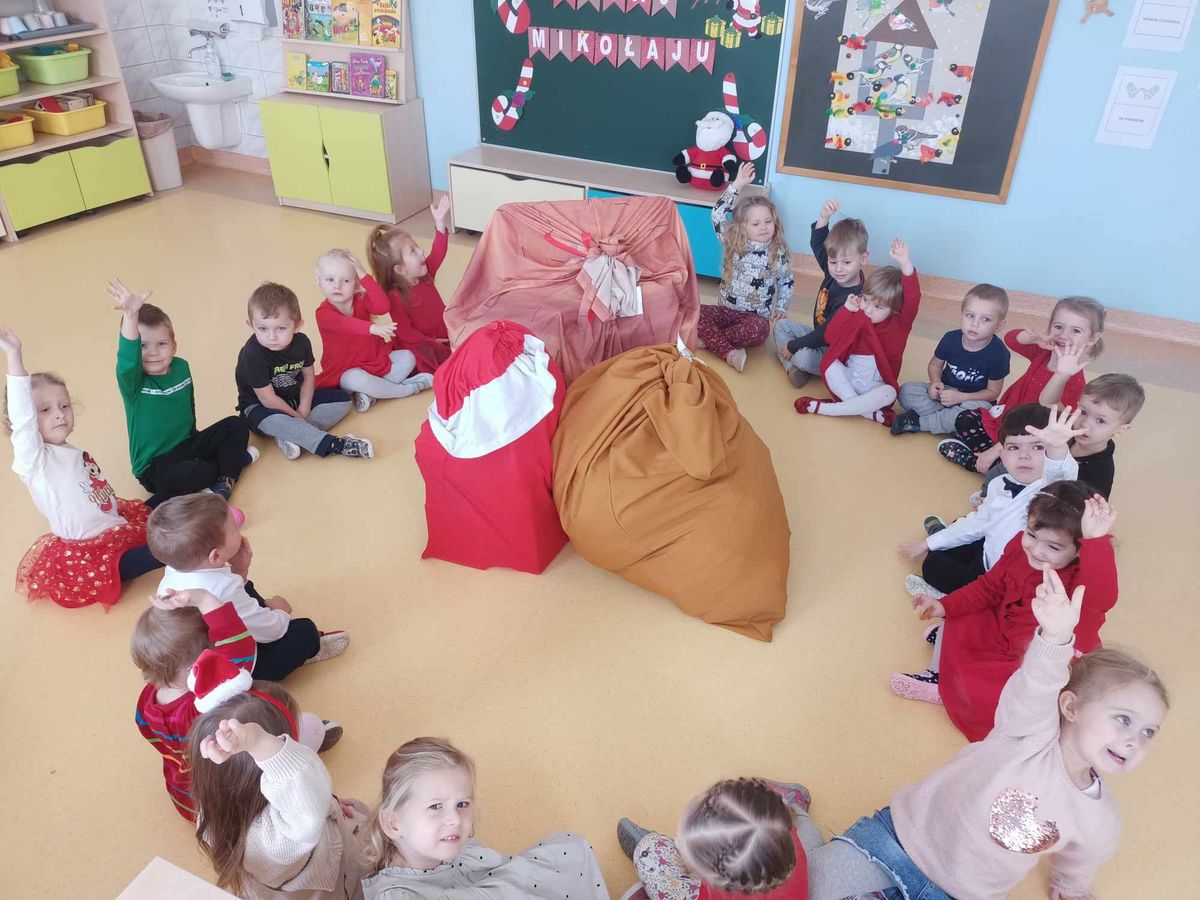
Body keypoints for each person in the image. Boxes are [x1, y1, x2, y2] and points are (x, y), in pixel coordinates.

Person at [800, 566, 1168, 900]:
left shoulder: (1100, 818)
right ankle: (790, 813)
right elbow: (1036, 685)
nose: (1135, 740)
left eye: (1149, 731)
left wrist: (1070, 886)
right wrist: (1055, 637)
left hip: (960, 894)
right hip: (898, 842)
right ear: (1071, 707)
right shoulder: (1028, 732)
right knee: (799, 886)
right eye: (1123, 719)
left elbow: (1086, 854)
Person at [892, 484, 1118, 743]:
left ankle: (945, 685)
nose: (1036, 550)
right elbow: (989, 587)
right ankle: (938, 674)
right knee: (962, 612)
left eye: (1054, 547)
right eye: (1031, 535)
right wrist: (944, 605)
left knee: (992, 692)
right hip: (1004, 631)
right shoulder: (1018, 549)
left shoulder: (1081, 584)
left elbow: (1104, 596)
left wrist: (1097, 541)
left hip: (1032, 663)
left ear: (1079, 550)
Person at [2, 326, 161, 610]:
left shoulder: (69, 450)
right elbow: (22, 417)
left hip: (117, 526)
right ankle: (196, 539)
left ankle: (201, 502)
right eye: (45, 410)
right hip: (91, 554)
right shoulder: (35, 460)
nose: (59, 414)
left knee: (165, 501)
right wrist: (14, 355)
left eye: (64, 406)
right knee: (162, 552)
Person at [188, 665, 362, 899]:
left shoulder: (210, 815)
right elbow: (306, 809)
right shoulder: (279, 836)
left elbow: (304, 801)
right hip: (330, 887)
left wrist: (326, 804)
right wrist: (258, 741)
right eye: (284, 740)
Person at [360, 737, 608, 899]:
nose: (455, 819)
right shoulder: (397, 895)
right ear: (393, 823)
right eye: (435, 807)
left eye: (462, 804)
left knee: (570, 850)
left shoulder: (446, 846)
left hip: (480, 884)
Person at [149, 492, 349, 680]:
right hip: (233, 672)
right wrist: (281, 612)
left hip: (197, 662)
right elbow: (270, 632)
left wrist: (240, 570)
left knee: (248, 597)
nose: (239, 528)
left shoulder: (175, 570)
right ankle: (307, 652)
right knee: (305, 631)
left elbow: (232, 613)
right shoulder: (224, 589)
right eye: (235, 529)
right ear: (216, 556)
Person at [899, 404, 1082, 597]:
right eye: (1014, 448)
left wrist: (1056, 447)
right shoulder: (999, 483)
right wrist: (928, 543)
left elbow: (1059, 473)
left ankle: (948, 600)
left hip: (1001, 577)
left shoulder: (1052, 490)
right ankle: (941, 537)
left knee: (935, 569)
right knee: (945, 545)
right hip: (988, 548)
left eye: (1038, 447)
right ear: (1002, 456)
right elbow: (979, 523)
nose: (1024, 455)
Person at [108, 278, 255, 504]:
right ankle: (228, 462)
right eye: (143, 346)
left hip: (187, 446)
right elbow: (127, 360)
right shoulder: (134, 383)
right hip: (155, 466)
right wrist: (130, 315)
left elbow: (188, 406)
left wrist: (200, 442)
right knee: (195, 471)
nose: (153, 352)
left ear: (174, 346)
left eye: (162, 344)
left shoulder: (181, 367)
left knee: (237, 425)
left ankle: (224, 481)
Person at [133, 587, 262, 821]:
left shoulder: (146, 702)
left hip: (187, 798)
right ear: (195, 666)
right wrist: (203, 598)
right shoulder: (204, 705)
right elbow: (238, 647)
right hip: (230, 801)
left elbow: (153, 738)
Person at [938, 296, 1105, 472]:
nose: (1063, 335)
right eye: (1058, 327)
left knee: (1020, 458)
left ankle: (980, 462)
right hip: (1006, 417)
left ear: (1092, 338)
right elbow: (1010, 339)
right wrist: (1032, 338)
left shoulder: (1074, 380)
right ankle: (990, 454)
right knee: (965, 419)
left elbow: (1049, 426)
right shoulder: (1044, 352)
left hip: (1028, 436)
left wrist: (996, 450)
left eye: (1076, 331)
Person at [236, 282, 373, 461]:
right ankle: (335, 445)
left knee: (343, 400)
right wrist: (296, 416)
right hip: (261, 408)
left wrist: (304, 407)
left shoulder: (302, 343)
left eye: (281, 328)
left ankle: (292, 436)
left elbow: (308, 376)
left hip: (294, 399)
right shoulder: (253, 354)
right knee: (276, 421)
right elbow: (267, 399)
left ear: (297, 325)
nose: (271, 337)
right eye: (262, 328)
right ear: (251, 325)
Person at [616, 778, 814, 900]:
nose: (678, 841)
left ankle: (649, 848)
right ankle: (794, 802)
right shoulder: (775, 826)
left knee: (650, 852)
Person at [794, 238, 920, 426]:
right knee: (829, 364)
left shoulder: (899, 325)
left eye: (878, 307)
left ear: (895, 310)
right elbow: (830, 337)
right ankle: (868, 414)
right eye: (866, 300)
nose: (868, 309)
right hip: (849, 379)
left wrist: (905, 263)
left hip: (874, 387)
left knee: (890, 392)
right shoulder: (857, 313)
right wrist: (846, 310)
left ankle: (830, 409)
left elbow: (913, 298)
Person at [981, 373, 1144, 501]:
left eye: (1100, 420)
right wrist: (1062, 373)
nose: (1084, 423)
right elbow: (1048, 401)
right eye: (1083, 412)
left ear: (1121, 429)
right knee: (999, 469)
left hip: (1042, 502)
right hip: (1027, 474)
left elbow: (1081, 513)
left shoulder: (1099, 473)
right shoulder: (1069, 426)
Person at [698, 161, 794, 373]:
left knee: (760, 331)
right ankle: (729, 352)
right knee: (693, 313)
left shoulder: (777, 251)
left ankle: (711, 341)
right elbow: (717, 214)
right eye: (756, 223)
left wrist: (781, 307)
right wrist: (737, 184)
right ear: (742, 227)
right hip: (725, 311)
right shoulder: (733, 241)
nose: (764, 227)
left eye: (768, 221)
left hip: (754, 319)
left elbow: (786, 281)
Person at [312, 249, 433, 414]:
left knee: (408, 357)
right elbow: (347, 324)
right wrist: (372, 328)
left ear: (356, 283)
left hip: (373, 359)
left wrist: (363, 275)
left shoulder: (360, 300)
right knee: (353, 379)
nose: (337, 285)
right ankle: (406, 389)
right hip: (346, 369)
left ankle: (371, 394)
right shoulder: (323, 313)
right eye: (330, 279)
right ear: (319, 280)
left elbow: (383, 306)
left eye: (346, 280)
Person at [892, 283, 1011, 435]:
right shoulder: (950, 339)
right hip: (945, 392)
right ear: (962, 314)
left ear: (999, 326)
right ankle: (947, 421)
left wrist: (961, 397)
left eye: (986, 319)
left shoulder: (998, 353)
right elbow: (935, 365)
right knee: (906, 391)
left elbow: (992, 392)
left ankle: (919, 423)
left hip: (972, 399)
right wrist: (935, 383)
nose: (975, 324)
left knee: (982, 412)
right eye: (970, 315)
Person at [774, 198, 867, 388]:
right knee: (780, 327)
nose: (838, 269)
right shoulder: (834, 273)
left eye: (847, 263)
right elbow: (818, 243)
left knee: (803, 356)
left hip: (835, 352)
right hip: (817, 336)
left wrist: (793, 346)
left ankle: (800, 365)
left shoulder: (854, 299)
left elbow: (824, 335)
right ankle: (793, 368)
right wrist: (824, 217)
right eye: (833, 262)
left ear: (863, 259)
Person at [367, 197, 453, 376]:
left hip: (441, 331)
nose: (421, 252)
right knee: (431, 365)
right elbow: (406, 333)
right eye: (413, 251)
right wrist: (431, 342)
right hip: (422, 341)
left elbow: (438, 252)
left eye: (417, 247)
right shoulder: (395, 296)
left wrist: (439, 222)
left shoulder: (425, 274)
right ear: (399, 269)